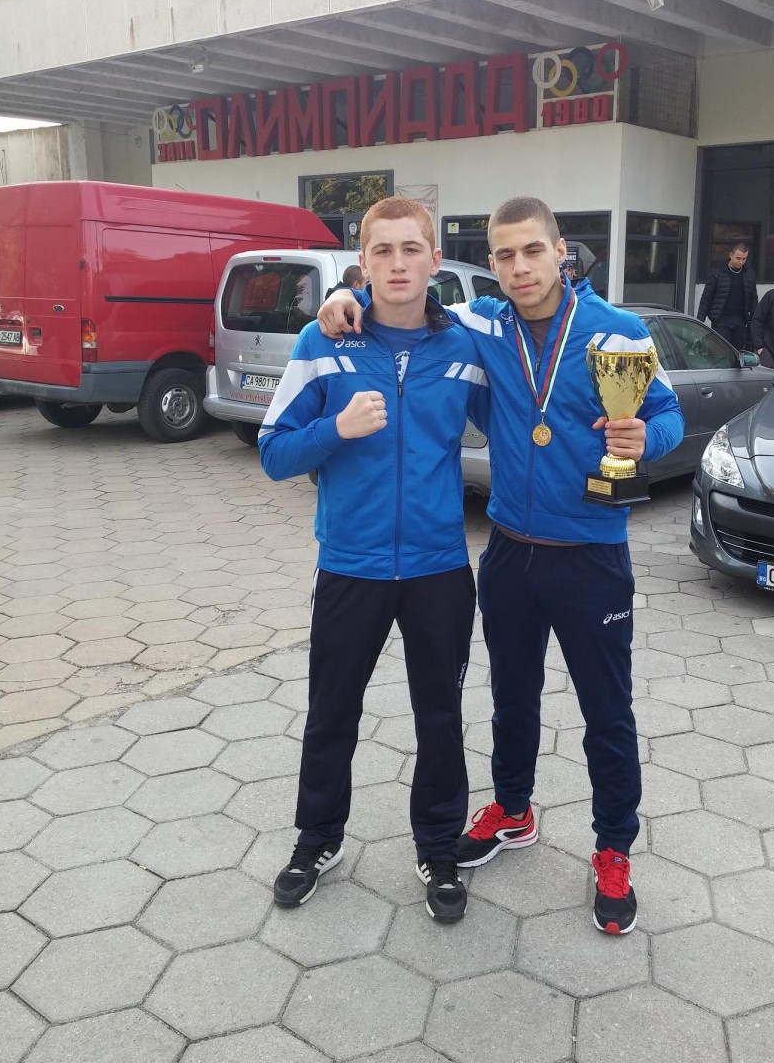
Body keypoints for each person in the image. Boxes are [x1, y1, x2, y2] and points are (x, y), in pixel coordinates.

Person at [318, 196, 684, 935]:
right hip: (510, 552)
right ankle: (513, 810)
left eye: (532, 251)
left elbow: (669, 414)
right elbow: (403, 299)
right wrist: (340, 298)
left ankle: (613, 847)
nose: (520, 268)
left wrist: (646, 437)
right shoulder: (480, 324)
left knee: (607, 711)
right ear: (491, 263)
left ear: (560, 252)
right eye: (506, 255)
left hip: (591, 554)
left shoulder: (617, 331)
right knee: (511, 698)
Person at [259, 197, 490, 924]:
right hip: (350, 566)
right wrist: (337, 426)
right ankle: (316, 841)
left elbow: (520, 423)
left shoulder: (464, 349)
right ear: (362, 263)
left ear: (435, 260)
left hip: (438, 568)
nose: (397, 264)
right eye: (382, 251)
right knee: (331, 713)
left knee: (440, 716)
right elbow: (274, 452)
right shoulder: (321, 340)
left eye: (411, 249)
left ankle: (439, 848)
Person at [696, 243, 758, 350]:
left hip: (740, 321)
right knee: (720, 351)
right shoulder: (717, 273)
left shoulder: (749, 274)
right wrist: (700, 321)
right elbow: (707, 297)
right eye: (738, 258)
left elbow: (753, 299)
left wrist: (755, 321)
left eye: (744, 259)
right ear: (731, 255)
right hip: (721, 320)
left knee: (737, 352)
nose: (741, 262)